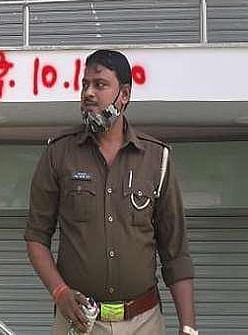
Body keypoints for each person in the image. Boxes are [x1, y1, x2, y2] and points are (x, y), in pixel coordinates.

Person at [24, 49, 197, 334]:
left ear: (124, 94)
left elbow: (175, 252)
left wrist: (188, 327)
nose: (88, 93)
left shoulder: (156, 158)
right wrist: (59, 292)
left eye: (100, 84)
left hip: (144, 322)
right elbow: (36, 237)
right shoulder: (58, 154)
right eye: (85, 84)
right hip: (80, 322)